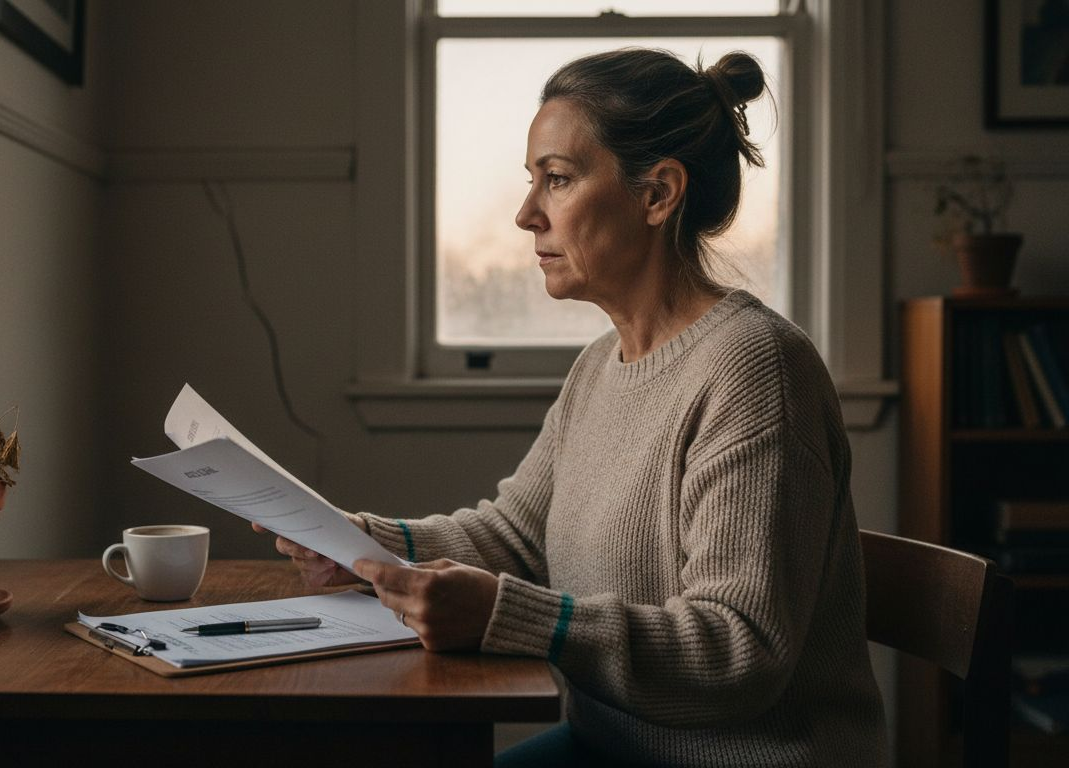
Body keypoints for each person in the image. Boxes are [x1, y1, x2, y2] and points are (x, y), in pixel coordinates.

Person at [257, 48, 886, 767]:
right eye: (534, 182)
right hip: (611, 747)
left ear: (658, 195)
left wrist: (509, 615)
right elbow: (516, 536)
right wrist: (360, 543)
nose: (527, 214)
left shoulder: (756, 370)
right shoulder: (599, 366)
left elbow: (740, 649)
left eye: (556, 179)